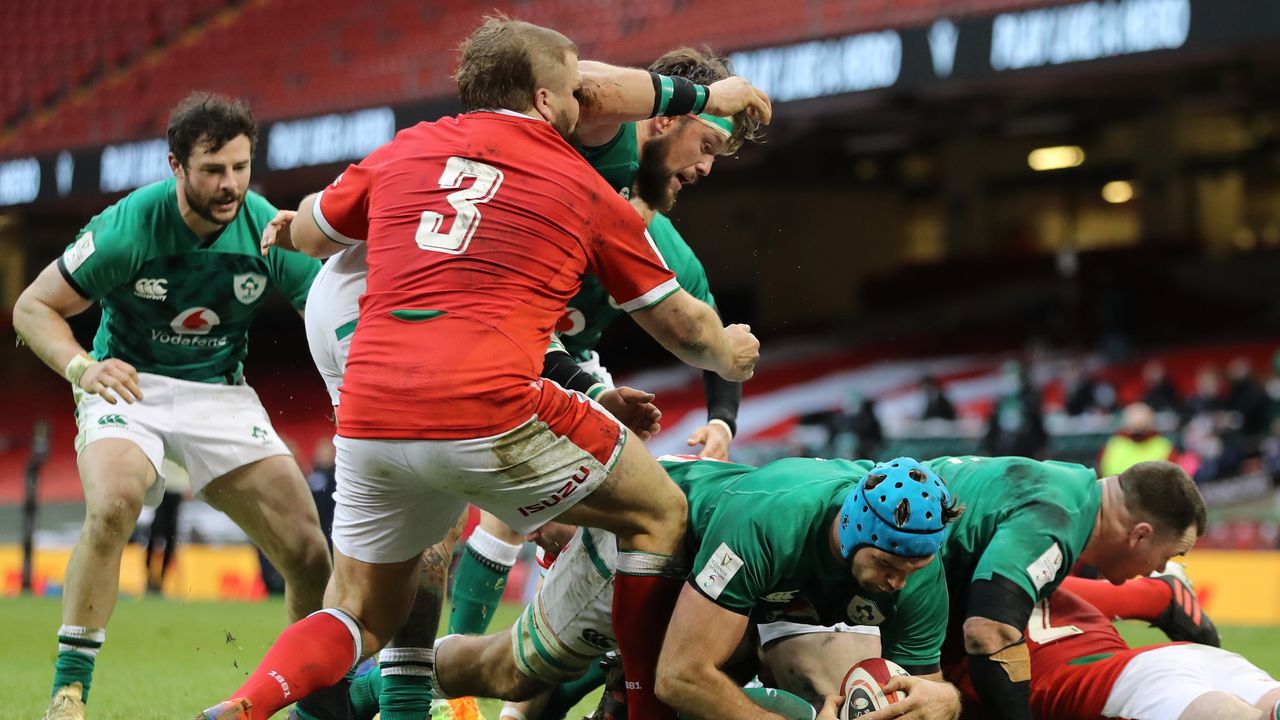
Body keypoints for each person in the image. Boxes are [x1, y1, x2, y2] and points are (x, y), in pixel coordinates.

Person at [199, 17, 766, 720]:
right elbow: (684, 327)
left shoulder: (411, 145)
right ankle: (623, 700)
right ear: (547, 99)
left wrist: (300, 218)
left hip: (376, 376)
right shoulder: (585, 169)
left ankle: (254, 703)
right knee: (654, 510)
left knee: (366, 598)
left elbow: (314, 230)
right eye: (706, 146)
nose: (706, 167)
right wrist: (729, 353)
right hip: (465, 370)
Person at [13, 92, 333, 720]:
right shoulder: (128, 227)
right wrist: (83, 367)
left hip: (219, 391)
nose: (230, 184)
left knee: (309, 553)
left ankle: (308, 703)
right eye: (213, 169)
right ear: (176, 166)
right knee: (114, 503)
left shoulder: (265, 226)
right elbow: (32, 306)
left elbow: (327, 309)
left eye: (240, 168)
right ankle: (69, 692)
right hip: (130, 385)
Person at [419, 456, 963, 720]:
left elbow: (919, 684)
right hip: (655, 541)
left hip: (741, 590)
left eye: (912, 568)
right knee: (514, 672)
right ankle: (376, 685)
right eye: (888, 564)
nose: (898, 581)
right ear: (855, 533)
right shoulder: (772, 525)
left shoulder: (916, 568)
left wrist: (945, 700)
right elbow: (679, 677)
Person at [932, 457, 1206, 720]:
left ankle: (1157, 596)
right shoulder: (1056, 516)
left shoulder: (1072, 484)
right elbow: (989, 630)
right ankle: (1155, 597)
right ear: (1141, 535)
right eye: (1168, 556)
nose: (1158, 567)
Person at [953, 588, 1279, 719]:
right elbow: (1156, 595)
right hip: (1190, 657)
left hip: (1116, 683)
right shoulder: (1046, 583)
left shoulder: (950, 633)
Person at [1097, 403, 1175, 478]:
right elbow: (1100, 475)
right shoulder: (1112, 444)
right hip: (1115, 490)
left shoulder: (1164, 446)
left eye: (1142, 419)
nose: (1138, 423)